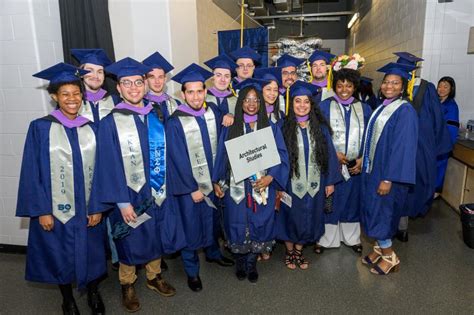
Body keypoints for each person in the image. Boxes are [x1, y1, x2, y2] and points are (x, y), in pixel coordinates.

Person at [16, 63, 106, 314]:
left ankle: (94, 292)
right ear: (55, 97)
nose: (72, 99)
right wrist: (41, 210)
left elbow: (101, 172)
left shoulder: (92, 128)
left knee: (93, 254)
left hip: (88, 207)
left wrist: (97, 206)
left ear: (82, 95)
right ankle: (67, 298)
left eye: (76, 93)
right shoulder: (40, 127)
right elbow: (31, 172)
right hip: (57, 208)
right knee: (60, 255)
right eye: (65, 94)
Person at [92, 57, 180, 312]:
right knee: (129, 238)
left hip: (157, 189)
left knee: (156, 234)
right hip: (129, 193)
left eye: (138, 82)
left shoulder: (156, 115)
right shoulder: (110, 123)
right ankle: (127, 283)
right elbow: (107, 165)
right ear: (118, 88)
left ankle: (153, 276)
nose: (133, 87)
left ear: (145, 85)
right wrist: (121, 202)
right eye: (126, 83)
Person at [212, 78, 289, 282]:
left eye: (256, 100)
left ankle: (252, 262)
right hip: (236, 187)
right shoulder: (231, 127)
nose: (251, 104)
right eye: (247, 100)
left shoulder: (270, 128)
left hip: (261, 186)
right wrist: (216, 181)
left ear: (261, 103)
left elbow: (282, 156)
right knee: (236, 222)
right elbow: (221, 156)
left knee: (259, 222)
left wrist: (271, 178)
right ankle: (240, 260)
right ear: (240, 103)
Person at [167, 63, 233, 293]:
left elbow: (222, 147)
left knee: (213, 222)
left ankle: (214, 254)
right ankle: (192, 272)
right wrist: (191, 188)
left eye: (199, 90)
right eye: (190, 91)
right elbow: (176, 158)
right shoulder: (175, 121)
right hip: (191, 189)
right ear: (183, 94)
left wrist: (217, 180)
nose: (195, 96)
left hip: (213, 182)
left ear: (206, 92)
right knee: (190, 229)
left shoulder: (213, 112)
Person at [360, 62, 418, 275]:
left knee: (382, 213)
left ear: (403, 87)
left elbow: (403, 149)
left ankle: (390, 257)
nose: (389, 86)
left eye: (395, 83)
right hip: (374, 170)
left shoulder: (405, 111)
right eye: (386, 82)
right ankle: (378, 248)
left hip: (387, 175)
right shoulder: (383, 106)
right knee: (372, 210)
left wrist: (388, 178)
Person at [276, 81, 340, 270]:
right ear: (291, 103)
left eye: (306, 101)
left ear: (312, 105)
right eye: (297, 101)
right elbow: (277, 158)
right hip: (289, 184)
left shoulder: (319, 129)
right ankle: (289, 251)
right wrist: (278, 185)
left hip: (315, 184)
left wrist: (330, 182)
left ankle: (298, 250)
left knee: (309, 217)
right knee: (289, 217)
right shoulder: (282, 127)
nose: (302, 105)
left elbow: (329, 156)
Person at [394, 52, 452, 242]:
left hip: (419, 146)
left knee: (413, 184)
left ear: (413, 71)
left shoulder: (426, 88)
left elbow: (436, 117)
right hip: (398, 145)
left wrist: (435, 145)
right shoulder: (392, 88)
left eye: (407, 69)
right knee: (395, 184)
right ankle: (395, 223)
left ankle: (403, 226)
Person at [318, 67, 372, 255]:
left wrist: (361, 158)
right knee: (330, 199)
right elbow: (319, 136)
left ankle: (351, 238)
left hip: (353, 166)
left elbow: (369, 137)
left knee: (352, 200)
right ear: (335, 86)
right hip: (332, 165)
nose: (343, 89)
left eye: (348, 86)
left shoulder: (364, 108)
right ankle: (327, 239)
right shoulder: (324, 106)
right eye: (340, 85)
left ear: (354, 87)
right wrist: (333, 155)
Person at [71, 48, 120, 123]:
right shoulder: (70, 102)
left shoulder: (116, 101)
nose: (95, 76)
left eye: (100, 72)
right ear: (81, 74)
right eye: (90, 71)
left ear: (104, 76)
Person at [436, 76, 459, 193]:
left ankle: (436, 191)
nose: (441, 89)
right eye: (440, 86)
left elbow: (452, 130)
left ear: (451, 89)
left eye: (446, 87)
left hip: (442, 144)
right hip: (432, 143)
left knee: (439, 169)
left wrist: (446, 146)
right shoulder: (436, 102)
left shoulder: (451, 106)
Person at [142, 51, 180, 122]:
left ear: (165, 79)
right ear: (146, 80)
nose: (157, 81)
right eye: (152, 77)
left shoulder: (175, 104)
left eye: (160, 77)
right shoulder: (142, 104)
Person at [204, 53, 239, 127]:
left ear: (230, 79)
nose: (223, 80)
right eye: (218, 75)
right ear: (212, 78)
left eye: (227, 76)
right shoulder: (203, 98)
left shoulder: (236, 100)